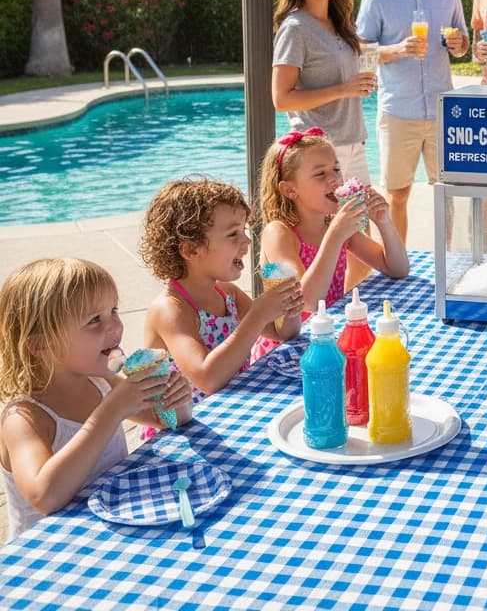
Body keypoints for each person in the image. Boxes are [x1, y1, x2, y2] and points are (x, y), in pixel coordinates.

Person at [0, 258, 192, 538]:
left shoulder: (101, 381)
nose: (115, 326)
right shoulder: (24, 418)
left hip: (113, 525)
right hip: (52, 552)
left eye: (113, 310)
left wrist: (176, 397)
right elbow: (45, 496)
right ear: (41, 345)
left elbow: (168, 421)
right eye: (94, 320)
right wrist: (110, 411)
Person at [139, 177, 303, 407]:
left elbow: (283, 333)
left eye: (243, 230)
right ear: (190, 249)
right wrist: (258, 314)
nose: (246, 240)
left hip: (231, 408)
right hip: (186, 428)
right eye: (232, 234)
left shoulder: (228, 294)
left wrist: (289, 303)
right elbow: (208, 378)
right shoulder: (171, 310)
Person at [355, 0, 469, 241]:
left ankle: (447, 263)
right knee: (398, 194)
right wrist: (397, 49)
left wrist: (461, 44)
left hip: (442, 110)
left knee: (446, 192)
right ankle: (397, 261)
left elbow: (463, 41)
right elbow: (360, 53)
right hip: (398, 111)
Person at [253, 127, 409, 359]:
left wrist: (383, 222)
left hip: (328, 339)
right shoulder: (279, 233)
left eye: (336, 169)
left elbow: (397, 268)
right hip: (286, 352)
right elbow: (307, 301)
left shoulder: (334, 225)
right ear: (289, 190)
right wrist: (335, 236)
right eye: (320, 174)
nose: (335, 179)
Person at [271, 0, 378, 184]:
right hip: (319, 153)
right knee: (333, 224)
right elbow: (281, 99)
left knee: (363, 223)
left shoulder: (340, 22)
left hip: (354, 145)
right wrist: (343, 89)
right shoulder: (295, 28)